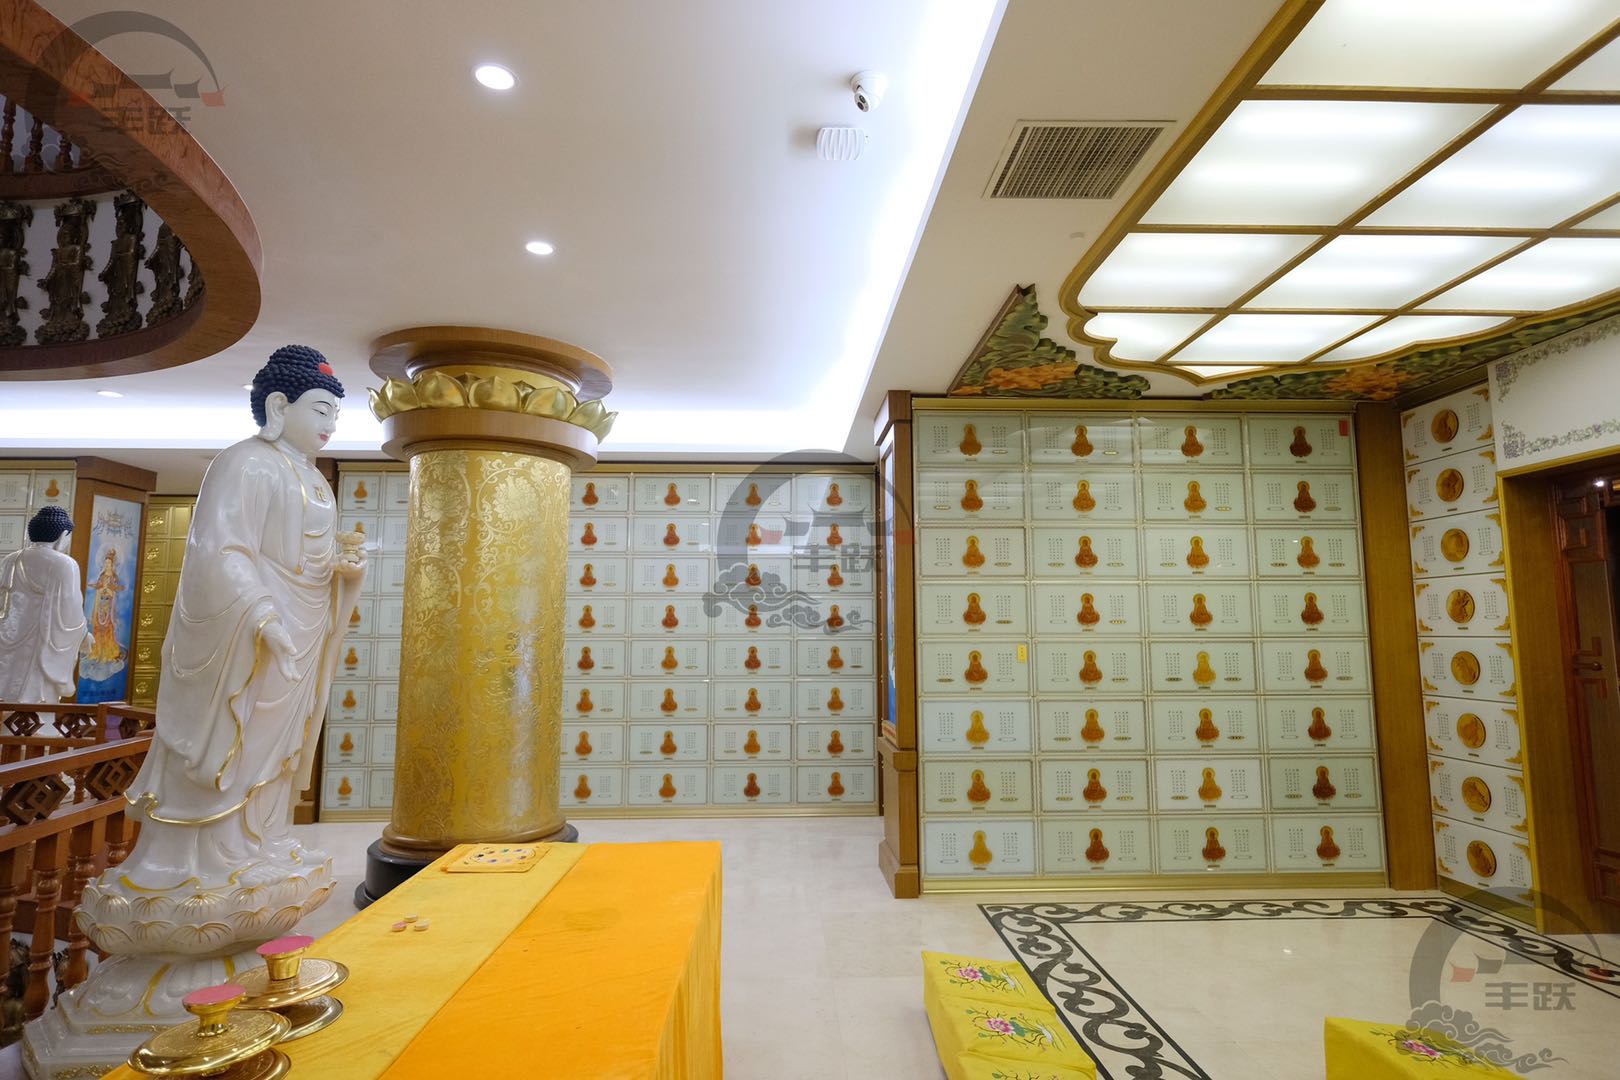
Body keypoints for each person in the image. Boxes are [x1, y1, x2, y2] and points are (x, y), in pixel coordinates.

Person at [121, 344, 367, 890]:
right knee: (241, 729)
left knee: (280, 742)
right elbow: (221, 551)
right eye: (320, 409)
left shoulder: (313, 478)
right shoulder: (246, 462)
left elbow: (310, 562)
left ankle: (263, 837)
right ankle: (208, 858)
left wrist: (343, 572)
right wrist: (263, 615)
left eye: (335, 414)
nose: (330, 424)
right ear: (279, 405)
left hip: (302, 627)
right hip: (248, 630)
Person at [0, 506, 87, 701]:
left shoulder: (10, 560)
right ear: (62, 536)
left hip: (9, 634)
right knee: (36, 694)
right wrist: (82, 633)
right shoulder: (65, 563)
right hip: (43, 637)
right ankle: (33, 718)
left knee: (7, 682)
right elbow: (70, 608)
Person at [84, 547, 125, 664]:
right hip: (100, 606)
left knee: (108, 629)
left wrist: (108, 590)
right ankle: (98, 652)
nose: (107, 565)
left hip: (109, 607)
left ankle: (107, 653)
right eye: (105, 563)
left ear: (112, 565)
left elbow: (114, 592)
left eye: (109, 563)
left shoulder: (114, 578)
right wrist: (101, 589)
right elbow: (98, 589)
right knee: (97, 629)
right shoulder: (102, 576)